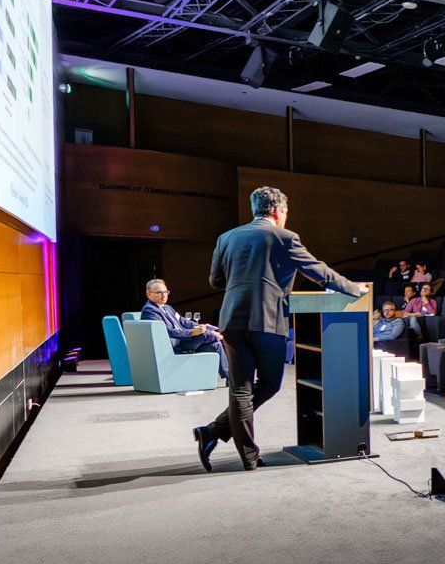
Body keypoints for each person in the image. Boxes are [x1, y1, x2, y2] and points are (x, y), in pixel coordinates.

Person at [194, 186, 365, 472]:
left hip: (232, 320)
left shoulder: (227, 237)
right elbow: (318, 271)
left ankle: (230, 445)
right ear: (277, 210)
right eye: (286, 212)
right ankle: (214, 434)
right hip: (268, 320)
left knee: (240, 389)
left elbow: (216, 281)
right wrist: (353, 289)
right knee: (270, 383)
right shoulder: (284, 237)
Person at [141, 278, 226, 376]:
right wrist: (192, 332)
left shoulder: (167, 307)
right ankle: (218, 338)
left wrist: (201, 328)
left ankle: (229, 378)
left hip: (183, 340)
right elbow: (166, 332)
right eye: (159, 292)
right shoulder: (150, 311)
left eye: (165, 292)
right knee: (206, 335)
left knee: (215, 346)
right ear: (149, 294)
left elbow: (183, 321)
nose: (164, 295)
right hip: (176, 344)